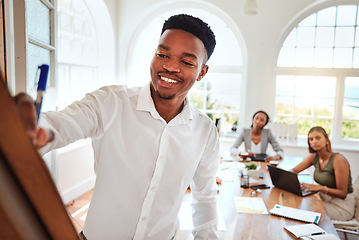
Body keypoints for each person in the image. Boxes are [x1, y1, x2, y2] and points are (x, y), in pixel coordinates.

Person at [14, 14, 219, 239]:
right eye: (163, 54)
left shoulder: (205, 131)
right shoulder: (110, 102)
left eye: (186, 61)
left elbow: (205, 198)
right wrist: (32, 131)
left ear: (202, 72)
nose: (170, 66)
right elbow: (62, 124)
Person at [291, 126, 355, 221]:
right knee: (300, 201)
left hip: (341, 205)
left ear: (326, 139)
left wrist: (320, 188)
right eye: (311, 139)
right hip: (325, 198)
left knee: (305, 208)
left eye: (318, 138)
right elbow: (293, 171)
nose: (314, 141)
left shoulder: (338, 160)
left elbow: (343, 193)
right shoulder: (313, 157)